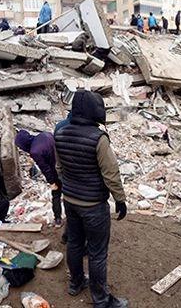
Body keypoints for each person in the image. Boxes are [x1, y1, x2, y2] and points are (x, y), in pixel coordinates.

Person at [54, 90, 128, 308]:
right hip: (93, 206)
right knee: (97, 253)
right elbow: (110, 173)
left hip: (70, 201)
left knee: (75, 244)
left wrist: (70, 187)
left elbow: (60, 168)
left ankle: (76, 283)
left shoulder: (60, 133)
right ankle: (101, 300)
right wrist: (120, 200)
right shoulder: (98, 138)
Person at [15, 130, 64, 227]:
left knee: (56, 195)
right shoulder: (44, 134)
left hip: (56, 172)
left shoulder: (35, 151)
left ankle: (58, 219)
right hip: (66, 165)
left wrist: (52, 182)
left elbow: (45, 168)